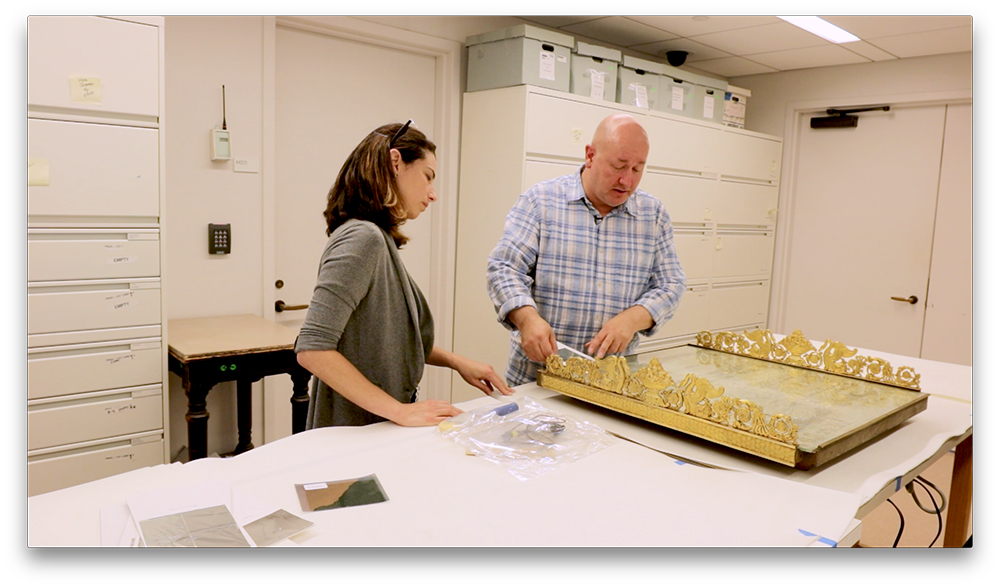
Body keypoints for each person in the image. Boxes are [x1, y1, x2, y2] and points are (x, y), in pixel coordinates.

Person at [296, 120, 512, 428]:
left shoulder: (377, 239)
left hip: (372, 424)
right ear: (396, 162)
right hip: (355, 428)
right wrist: (399, 411)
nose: (432, 194)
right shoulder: (363, 238)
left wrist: (456, 362)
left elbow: (386, 338)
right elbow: (313, 349)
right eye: (427, 177)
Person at [487, 113, 687, 386]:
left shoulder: (653, 215)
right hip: (537, 377)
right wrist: (526, 319)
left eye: (638, 169)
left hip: (612, 382)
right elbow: (504, 268)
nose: (627, 181)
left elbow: (671, 283)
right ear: (590, 155)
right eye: (619, 166)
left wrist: (633, 319)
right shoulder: (540, 201)